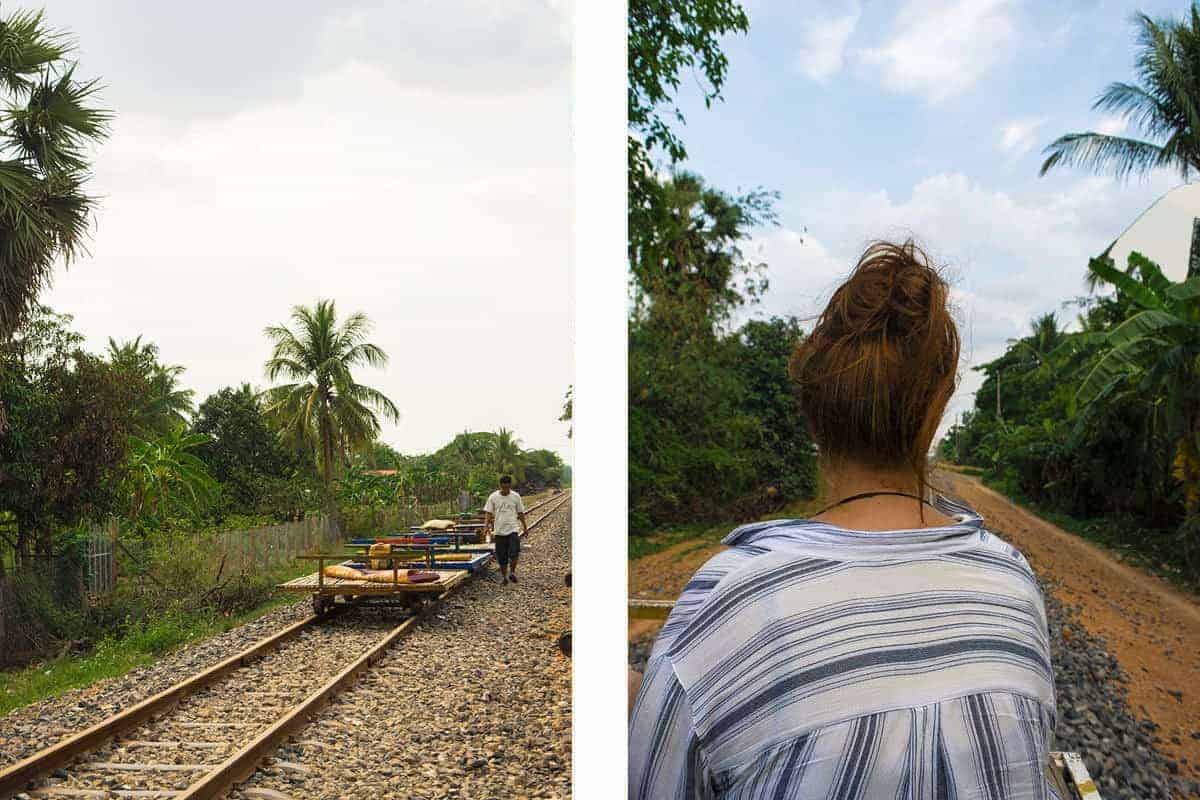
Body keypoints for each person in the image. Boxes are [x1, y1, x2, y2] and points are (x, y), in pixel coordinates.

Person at [629, 241, 1056, 799]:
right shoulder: (1013, 581)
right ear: (936, 409)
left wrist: (647, 702)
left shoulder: (726, 603)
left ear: (811, 412)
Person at [484, 475, 527, 584]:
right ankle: (504, 577)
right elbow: (488, 513)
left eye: (507, 488)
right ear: (500, 486)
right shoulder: (493, 497)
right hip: (499, 531)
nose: (505, 490)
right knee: (501, 556)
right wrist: (486, 527)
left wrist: (525, 527)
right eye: (503, 488)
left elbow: (520, 512)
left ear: (510, 486)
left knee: (514, 552)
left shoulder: (515, 496)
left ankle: (512, 572)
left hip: (513, 529)